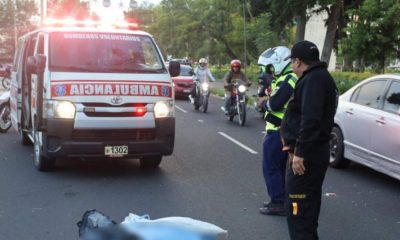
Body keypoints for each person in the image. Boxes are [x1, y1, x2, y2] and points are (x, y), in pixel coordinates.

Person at [280, 40, 338, 239]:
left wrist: (300, 153)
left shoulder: (313, 80)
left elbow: (311, 119)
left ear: (297, 61)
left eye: (292, 62)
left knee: (299, 212)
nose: (292, 66)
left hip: (307, 157)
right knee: (306, 210)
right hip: (313, 154)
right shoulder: (320, 77)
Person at [257, 47, 297, 216]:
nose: (267, 71)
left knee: (271, 168)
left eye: (269, 67)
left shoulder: (289, 79)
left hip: (278, 132)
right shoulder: (282, 78)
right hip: (279, 131)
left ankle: (278, 203)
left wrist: (264, 103)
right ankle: (280, 199)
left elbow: (274, 104)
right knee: (279, 169)